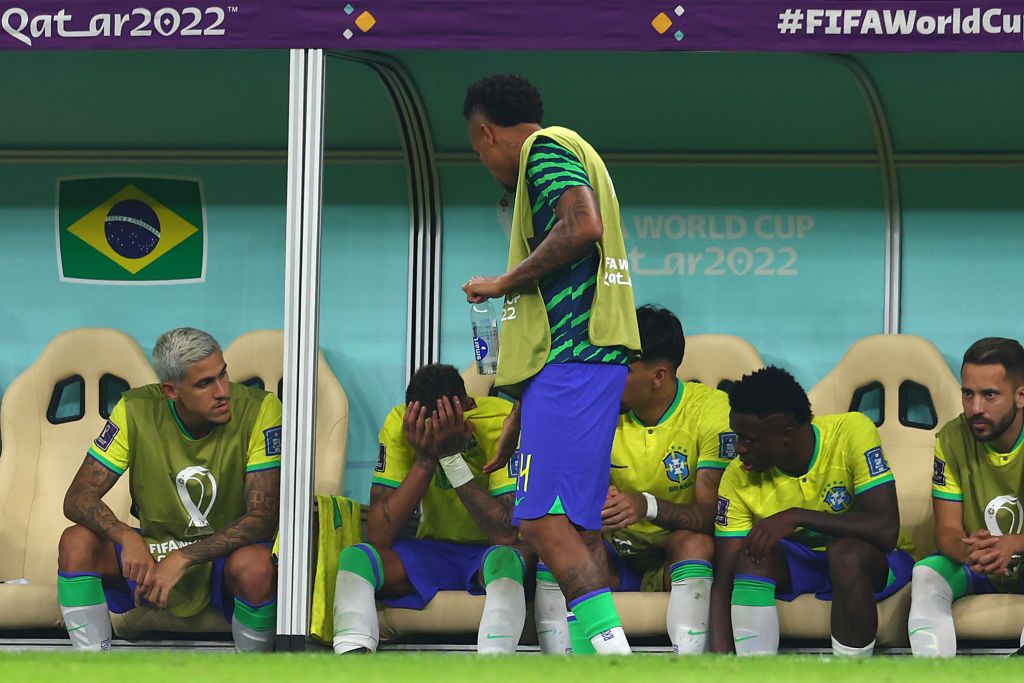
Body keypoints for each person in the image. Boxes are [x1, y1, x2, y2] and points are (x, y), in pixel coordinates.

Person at [461, 74, 641, 655]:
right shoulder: (572, 149)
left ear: (486, 133)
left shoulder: (545, 150)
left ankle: (615, 658)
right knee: (578, 527)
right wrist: (521, 407)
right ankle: (594, 663)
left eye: (476, 145)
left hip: (576, 358)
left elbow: (581, 225)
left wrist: (501, 282)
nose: (483, 157)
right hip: (571, 366)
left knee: (540, 522)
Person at [57, 327, 282, 652]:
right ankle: (91, 669)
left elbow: (262, 518)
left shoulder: (261, 409)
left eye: (223, 374)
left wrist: (184, 557)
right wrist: (127, 536)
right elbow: (77, 497)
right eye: (205, 383)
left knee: (256, 566)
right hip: (153, 549)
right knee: (75, 542)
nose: (223, 392)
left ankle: (255, 672)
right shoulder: (135, 410)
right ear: (171, 390)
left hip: (223, 558)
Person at [532, 305, 734, 655]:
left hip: (673, 557)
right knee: (560, 543)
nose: (605, 377)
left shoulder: (712, 410)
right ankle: (566, 671)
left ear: (658, 375)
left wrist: (646, 505)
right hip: (612, 556)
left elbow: (713, 515)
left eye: (619, 368)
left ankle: (688, 674)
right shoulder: (595, 407)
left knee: (694, 544)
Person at [709, 366, 912, 657]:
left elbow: (885, 530)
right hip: (799, 565)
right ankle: (751, 673)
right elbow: (723, 581)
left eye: (748, 439)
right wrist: (722, 667)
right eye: (737, 436)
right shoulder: (736, 476)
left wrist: (798, 515)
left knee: (846, 555)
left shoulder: (851, 432)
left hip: (869, 563)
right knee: (751, 555)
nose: (738, 448)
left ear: (786, 436)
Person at [332, 364, 527, 655]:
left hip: (488, 552)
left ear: (468, 406)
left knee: (507, 559)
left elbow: (505, 534)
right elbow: (379, 534)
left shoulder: (501, 419)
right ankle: (351, 664)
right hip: (432, 549)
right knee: (357, 558)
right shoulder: (403, 422)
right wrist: (425, 459)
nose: (435, 431)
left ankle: (494, 665)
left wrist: (451, 458)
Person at [909, 338, 1024, 656]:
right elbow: (946, 529)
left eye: (989, 395)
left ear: (1020, 395)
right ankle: (934, 677)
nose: (975, 408)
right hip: (979, 564)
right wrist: (968, 550)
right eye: (968, 393)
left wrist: (1014, 543)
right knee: (927, 574)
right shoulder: (951, 438)